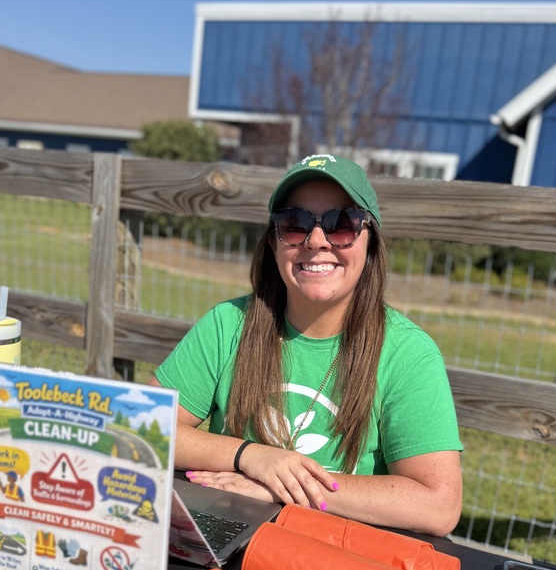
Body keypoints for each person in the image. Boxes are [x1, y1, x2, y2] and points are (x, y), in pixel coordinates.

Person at [151, 153, 463, 536]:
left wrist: (283, 489)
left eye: (342, 224)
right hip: (229, 545)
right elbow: (144, 428)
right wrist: (250, 456)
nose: (317, 241)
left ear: (370, 243)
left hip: (337, 560)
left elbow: (438, 504)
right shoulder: (227, 325)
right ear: (273, 241)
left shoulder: (408, 354)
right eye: (295, 223)